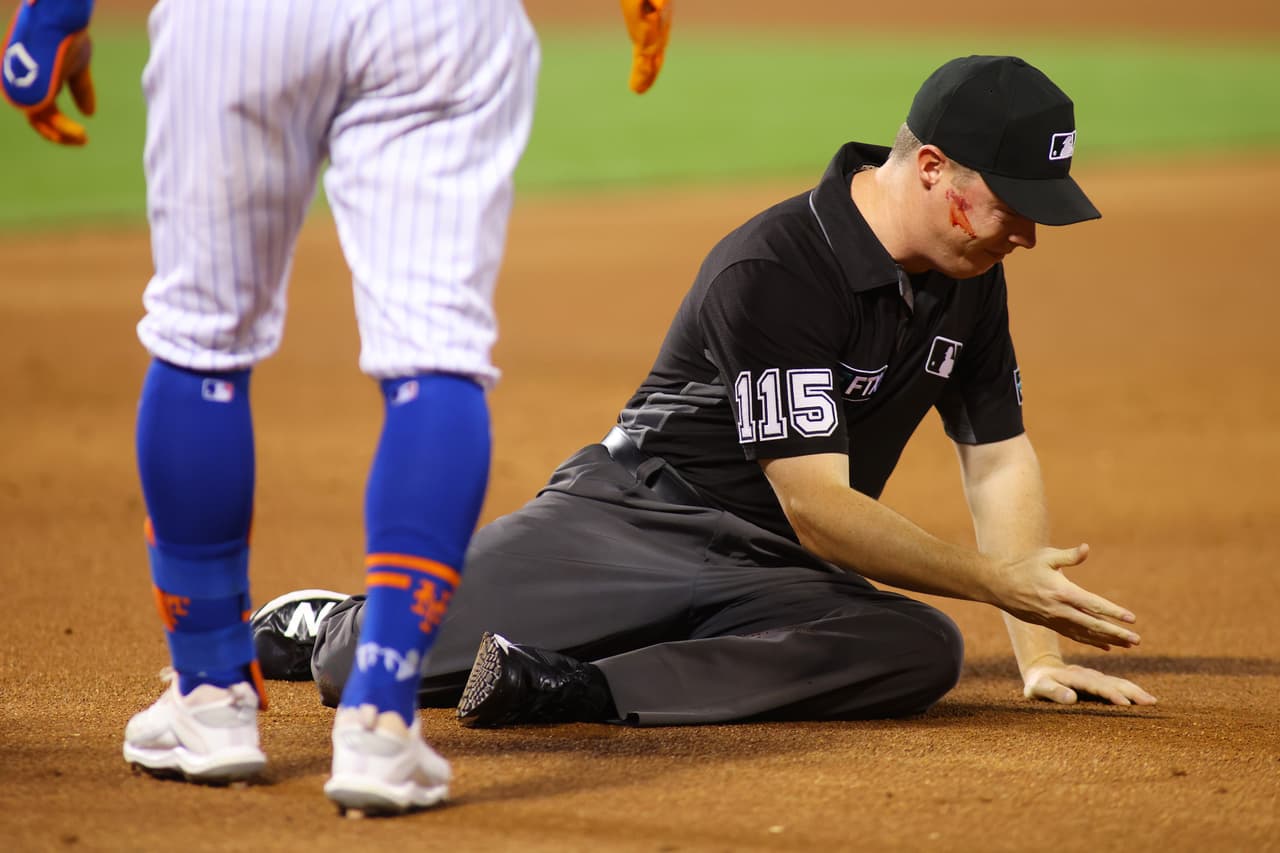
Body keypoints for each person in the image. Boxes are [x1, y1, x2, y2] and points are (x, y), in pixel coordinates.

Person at [266, 54, 1158, 729]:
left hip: (776, 573)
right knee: (361, 668)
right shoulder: (775, 266)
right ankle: (332, 618)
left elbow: (997, 459)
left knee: (918, 649)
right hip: (631, 524)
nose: (1029, 236)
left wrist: (1035, 651)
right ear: (932, 169)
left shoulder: (971, 278)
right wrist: (999, 582)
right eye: (1014, 206)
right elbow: (817, 507)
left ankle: (584, 685)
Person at [4, 0, 674, 816]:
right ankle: (382, 717)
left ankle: (211, 697)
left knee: (202, 337)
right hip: (439, 26)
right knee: (437, 351)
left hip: (241, 23)